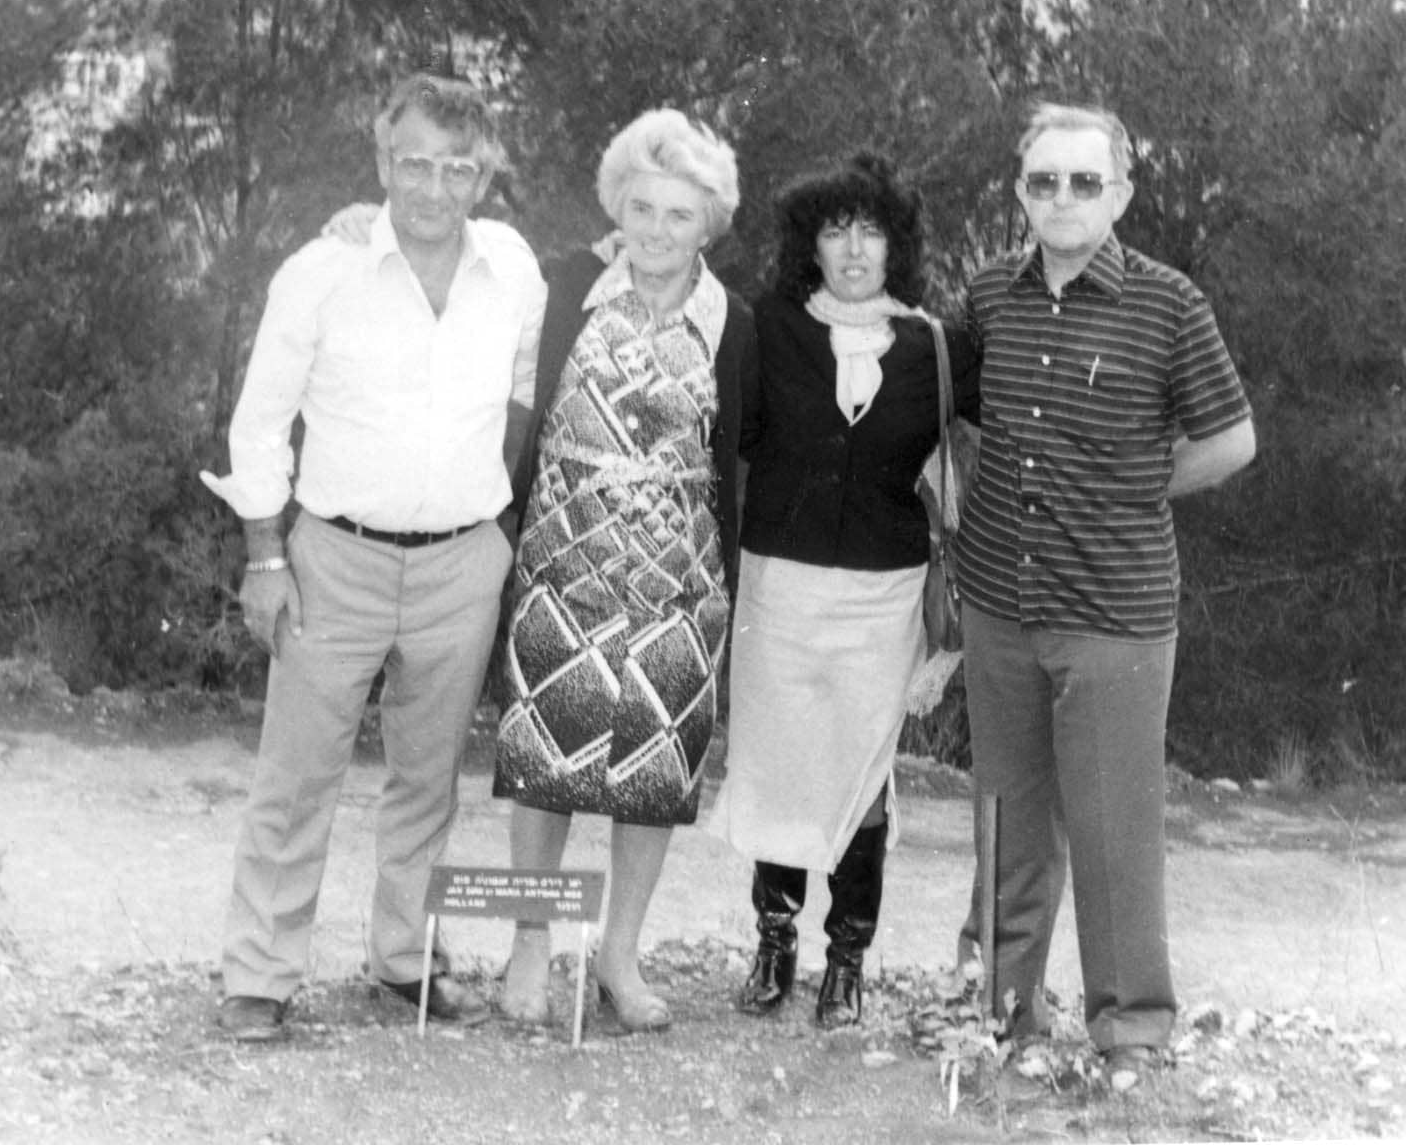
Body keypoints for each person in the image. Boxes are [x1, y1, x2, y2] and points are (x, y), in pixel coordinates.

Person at [199, 74, 547, 1044]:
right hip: (333, 560)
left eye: (457, 169)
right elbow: (260, 422)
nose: (434, 188)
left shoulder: (514, 269)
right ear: (383, 160)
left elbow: (528, 389)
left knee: (427, 781)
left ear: (483, 176)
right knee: (296, 777)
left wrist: (496, 521)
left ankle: (406, 960)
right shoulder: (322, 270)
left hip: (462, 566)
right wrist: (265, 558)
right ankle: (260, 973)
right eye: (415, 163)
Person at [953, 101, 1256, 1078]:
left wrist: (1137, 484)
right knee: (1007, 818)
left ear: (1120, 193)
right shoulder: (988, 296)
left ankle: (1130, 1028)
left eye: (1086, 181)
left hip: (1115, 613)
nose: (1064, 198)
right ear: (1020, 192)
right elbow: (953, 408)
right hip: (999, 600)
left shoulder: (1171, 304)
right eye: (1044, 181)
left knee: (1113, 828)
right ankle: (1005, 1012)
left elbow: (1231, 438)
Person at [491, 109, 755, 1033]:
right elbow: (482, 279)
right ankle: (530, 945)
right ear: (616, 207)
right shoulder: (567, 286)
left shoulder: (734, 323)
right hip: (563, 571)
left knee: (651, 773)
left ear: (708, 224)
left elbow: (745, 451)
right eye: (641, 208)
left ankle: (620, 955)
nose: (656, 230)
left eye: (678, 215)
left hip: (677, 586)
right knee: (544, 762)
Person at [703, 154, 980, 1028]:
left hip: (884, 595)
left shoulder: (939, 347)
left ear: (898, 245)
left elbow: (1016, 427)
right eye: (835, 231)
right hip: (780, 587)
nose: (855, 250)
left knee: (862, 776)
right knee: (780, 766)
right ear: (810, 245)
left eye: (872, 231)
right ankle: (774, 944)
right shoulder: (765, 327)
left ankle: (847, 960)